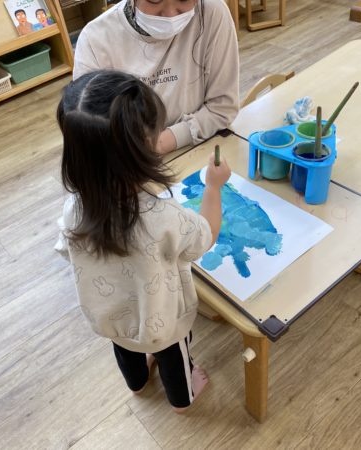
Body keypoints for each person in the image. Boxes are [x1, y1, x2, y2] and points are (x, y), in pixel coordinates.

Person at [55, 69, 230, 411]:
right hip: (163, 323)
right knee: (174, 359)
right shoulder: (162, 217)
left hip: (113, 320)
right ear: (143, 150)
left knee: (126, 352)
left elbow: (66, 251)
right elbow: (205, 236)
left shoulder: (73, 207)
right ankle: (182, 399)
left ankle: (136, 384)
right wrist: (213, 186)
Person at [73, 0, 239, 154]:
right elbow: (90, 134)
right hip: (128, 162)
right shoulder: (95, 40)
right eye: (154, 0)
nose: (170, 15)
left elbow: (222, 107)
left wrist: (160, 143)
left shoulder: (211, 13)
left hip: (197, 149)